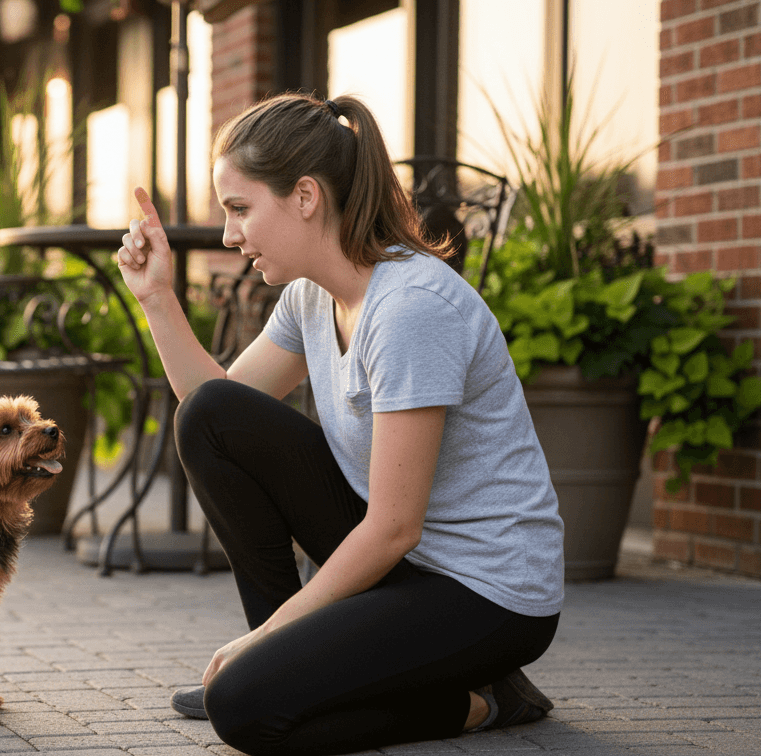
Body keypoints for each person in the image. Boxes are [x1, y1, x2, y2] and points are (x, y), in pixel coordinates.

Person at [114, 92, 564, 756]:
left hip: (487, 595)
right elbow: (218, 411)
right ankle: (286, 669)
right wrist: (156, 296)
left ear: (304, 196)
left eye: (240, 209)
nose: (230, 236)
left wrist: (265, 642)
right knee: (210, 417)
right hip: (406, 563)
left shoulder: (410, 309)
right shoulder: (310, 296)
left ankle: (484, 700)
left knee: (244, 711)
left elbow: (394, 526)